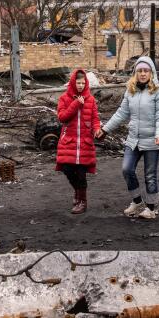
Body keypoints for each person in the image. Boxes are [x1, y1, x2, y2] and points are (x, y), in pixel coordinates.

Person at [97, 55, 159, 219]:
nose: (143, 74)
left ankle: (151, 208)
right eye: (140, 71)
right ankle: (137, 202)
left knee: (150, 176)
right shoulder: (131, 91)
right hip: (133, 139)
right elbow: (121, 113)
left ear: (151, 73)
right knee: (127, 169)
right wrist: (105, 129)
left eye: (146, 71)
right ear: (135, 72)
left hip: (152, 140)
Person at [56, 68, 100, 215]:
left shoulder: (91, 100)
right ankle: (77, 191)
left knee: (81, 173)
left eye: (83, 83)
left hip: (85, 143)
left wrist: (97, 130)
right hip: (69, 142)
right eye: (78, 82)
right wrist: (75, 104)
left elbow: (95, 119)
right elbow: (62, 117)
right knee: (67, 170)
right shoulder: (64, 98)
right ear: (73, 83)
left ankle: (83, 202)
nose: (80, 85)